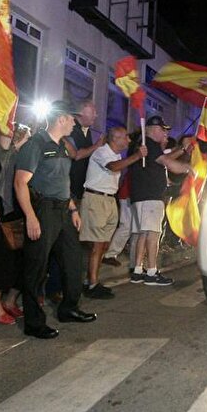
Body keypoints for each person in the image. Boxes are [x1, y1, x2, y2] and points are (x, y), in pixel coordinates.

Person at [15, 100, 96, 339]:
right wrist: (30, 217)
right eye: (72, 118)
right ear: (61, 119)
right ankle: (34, 322)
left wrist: (73, 209)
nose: (74, 122)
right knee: (36, 268)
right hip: (43, 211)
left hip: (63, 211)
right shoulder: (36, 144)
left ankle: (69, 308)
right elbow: (20, 183)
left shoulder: (62, 146)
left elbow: (62, 181)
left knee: (73, 262)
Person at [80, 126, 146, 298]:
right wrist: (137, 156)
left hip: (108, 199)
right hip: (96, 199)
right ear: (115, 138)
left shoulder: (115, 154)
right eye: (125, 137)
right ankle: (91, 284)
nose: (128, 140)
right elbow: (113, 167)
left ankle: (93, 280)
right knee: (96, 244)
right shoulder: (102, 152)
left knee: (102, 244)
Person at [127, 116, 192, 286]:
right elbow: (168, 163)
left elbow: (166, 159)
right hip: (149, 197)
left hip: (142, 196)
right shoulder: (149, 143)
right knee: (153, 235)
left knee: (143, 234)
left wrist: (182, 151)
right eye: (163, 129)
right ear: (154, 129)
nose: (165, 133)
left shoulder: (146, 144)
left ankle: (138, 270)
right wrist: (188, 168)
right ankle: (151, 272)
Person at [0, 123, 31, 325]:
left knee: (21, 261)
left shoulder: (20, 150)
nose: (14, 131)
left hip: (18, 211)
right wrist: (16, 148)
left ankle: (10, 301)